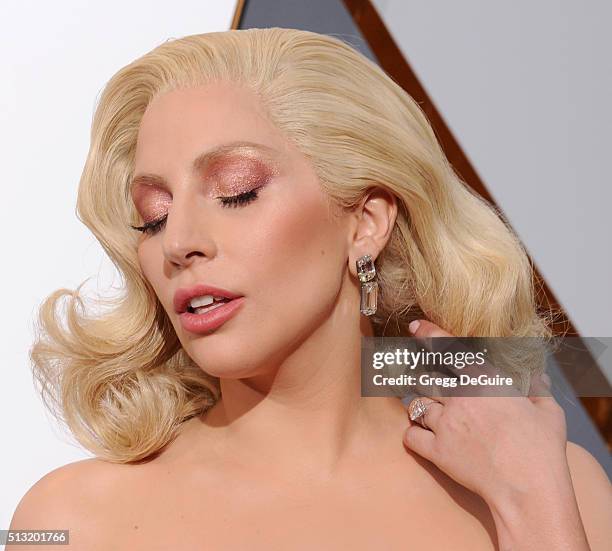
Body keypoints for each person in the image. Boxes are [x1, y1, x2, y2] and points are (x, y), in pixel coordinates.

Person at [8, 27, 611, 550]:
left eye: (236, 191)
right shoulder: (70, 521)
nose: (178, 242)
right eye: (154, 214)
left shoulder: (560, 486)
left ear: (366, 222)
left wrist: (533, 505)